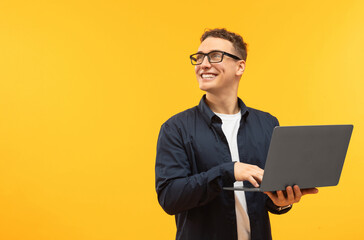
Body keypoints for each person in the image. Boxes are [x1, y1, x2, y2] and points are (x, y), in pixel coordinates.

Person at [155, 28, 318, 240]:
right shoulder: (175, 128)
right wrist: (228, 171)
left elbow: (269, 197)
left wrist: (282, 202)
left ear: (239, 66)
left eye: (214, 56)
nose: (203, 64)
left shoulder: (268, 123)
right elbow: (170, 198)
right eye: (199, 57)